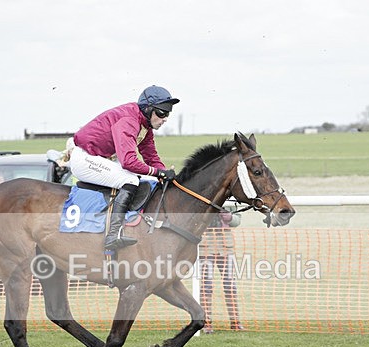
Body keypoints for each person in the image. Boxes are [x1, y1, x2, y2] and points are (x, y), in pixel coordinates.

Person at [69, 85, 179, 250]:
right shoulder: (129, 120)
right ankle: (113, 235)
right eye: (161, 113)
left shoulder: (145, 127)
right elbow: (128, 161)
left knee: (148, 178)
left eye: (167, 114)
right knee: (130, 179)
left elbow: (151, 158)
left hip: (98, 158)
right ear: (148, 110)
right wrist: (158, 172)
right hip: (85, 158)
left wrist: (165, 175)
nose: (165, 119)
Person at [200, 211, 244, 333]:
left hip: (226, 248)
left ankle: (235, 322)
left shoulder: (229, 199)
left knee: (230, 286)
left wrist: (230, 218)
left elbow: (238, 220)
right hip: (206, 248)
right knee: (206, 287)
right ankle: (206, 323)